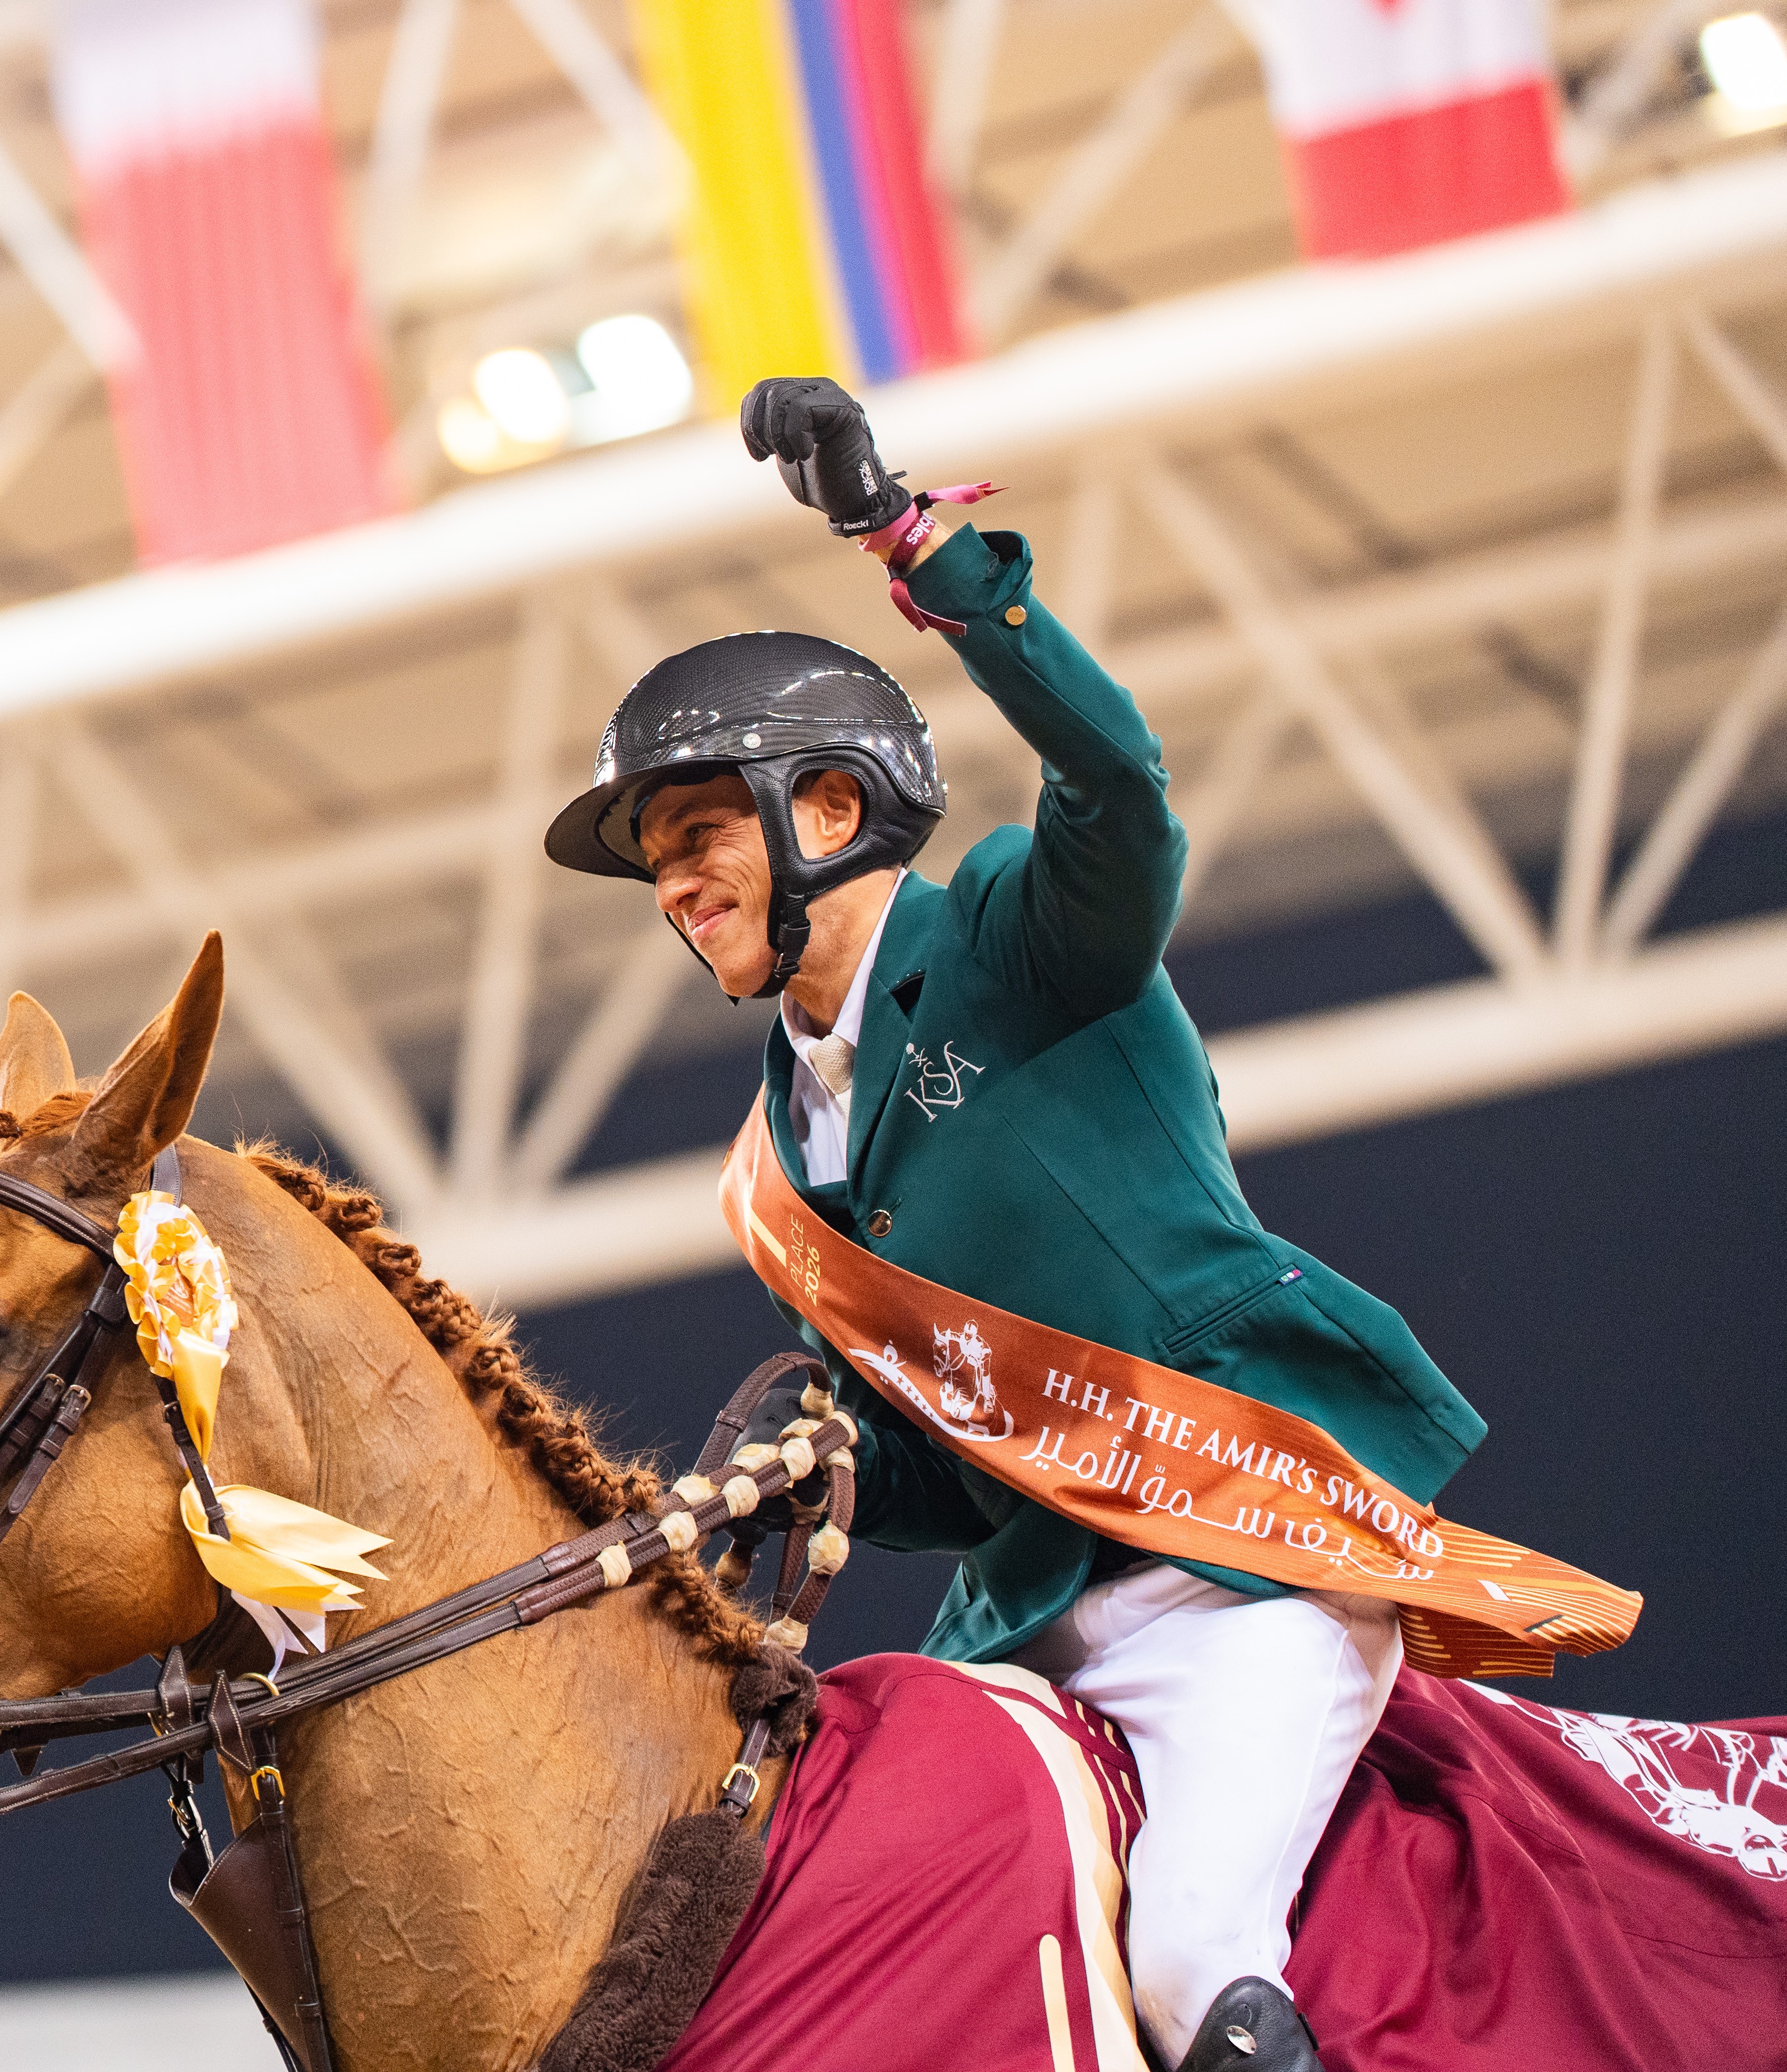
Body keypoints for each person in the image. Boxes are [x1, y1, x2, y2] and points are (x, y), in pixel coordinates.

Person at [543, 377, 1495, 2072]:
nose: (676, 893)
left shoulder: (1010, 934)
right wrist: (809, 1471)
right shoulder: (775, 1157)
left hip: (1238, 1571)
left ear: (828, 811)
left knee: (1196, 1949)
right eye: (660, 867)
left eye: (697, 840)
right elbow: (963, 1470)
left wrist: (912, 542)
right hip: (1020, 1625)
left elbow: (1119, 788)